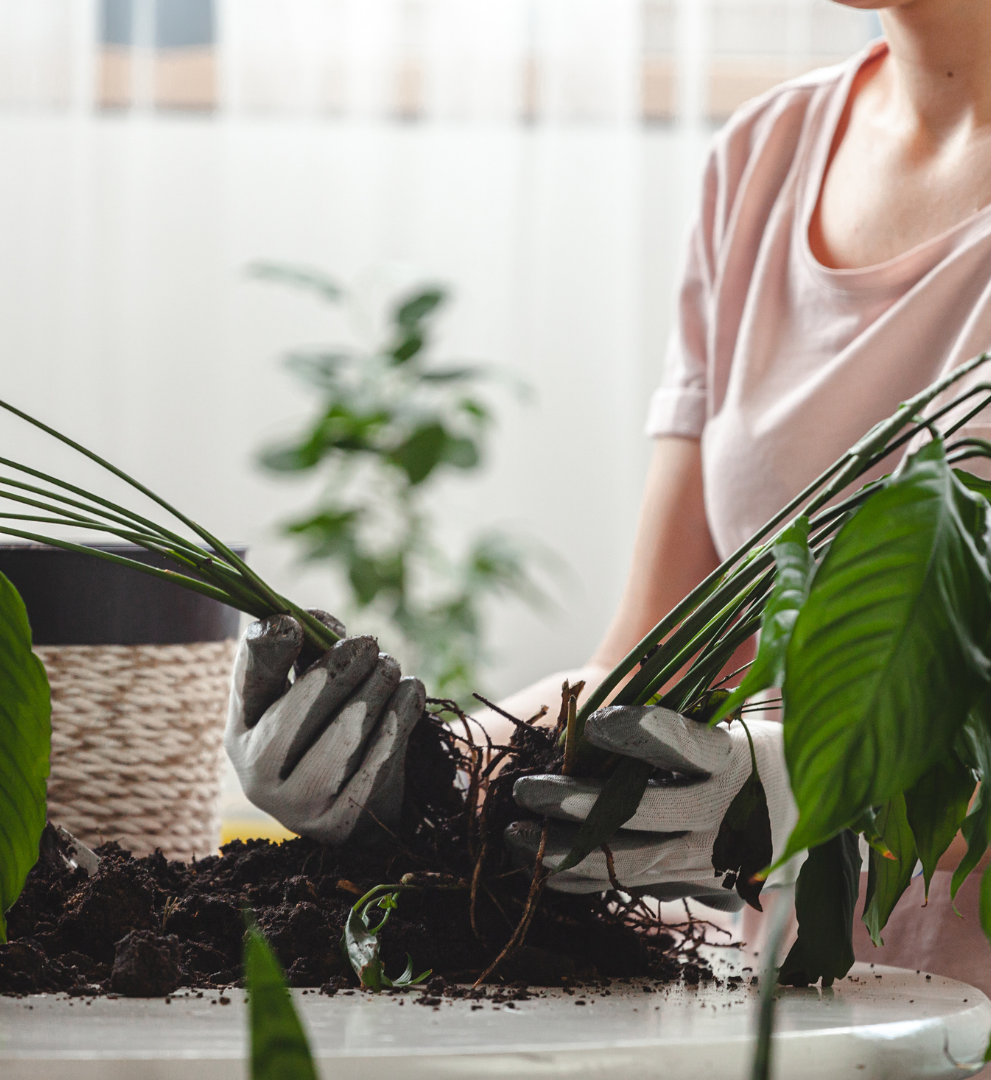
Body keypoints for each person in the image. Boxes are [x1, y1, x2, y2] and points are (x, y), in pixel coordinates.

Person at [225, 0, 991, 993]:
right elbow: (642, 665)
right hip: (765, 1001)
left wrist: (798, 784)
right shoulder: (767, 156)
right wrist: (417, 770)